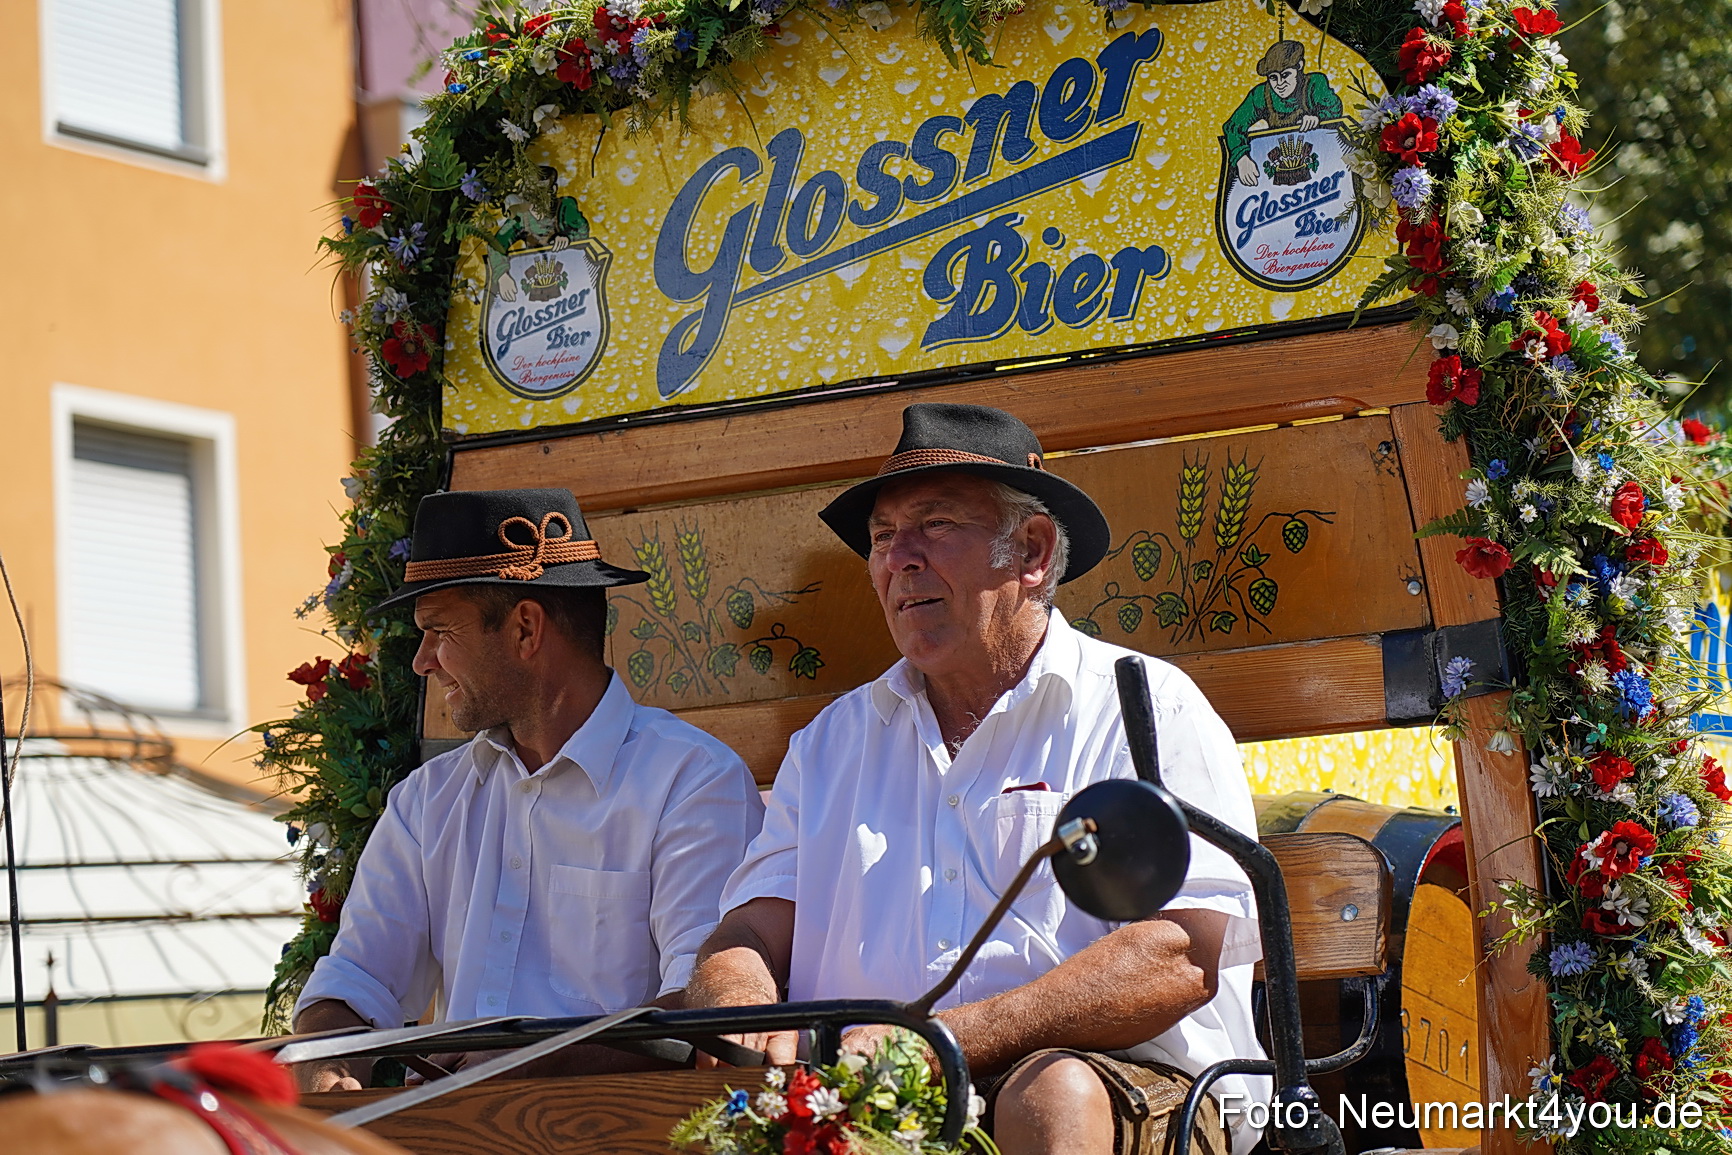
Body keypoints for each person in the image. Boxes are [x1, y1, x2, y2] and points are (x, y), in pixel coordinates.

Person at [685, 404, 1268, 1155]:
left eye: (933, 526)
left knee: (1049, 1091)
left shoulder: (1145, 706)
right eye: (883, 538)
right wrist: (740, 1001)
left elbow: (1182, 952)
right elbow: (750, 930)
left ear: (1031, 548)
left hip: (1133, 1086)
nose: (900, 559)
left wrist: (940, 1043)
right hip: (879, 1096)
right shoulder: (831, 742)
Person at [291, 489, 764, 1091]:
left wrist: (531, 1060)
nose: (421, 661)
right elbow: (357, 979)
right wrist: (327, 1061)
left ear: (524, 628)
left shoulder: (692, 781)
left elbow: (710, 1007)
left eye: (438, 631)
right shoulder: (425, 801)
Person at [1223, 39, 1345, 187]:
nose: (1280, 84)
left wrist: (1318, 117)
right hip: (1277, 169)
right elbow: (1233, 126)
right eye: (1273, 77)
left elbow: (1335, 109)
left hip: (1319, 164)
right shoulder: (1261, 94)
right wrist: (1241, 158)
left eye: (1286, 75)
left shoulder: (1315, 84)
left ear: (1299, 66)